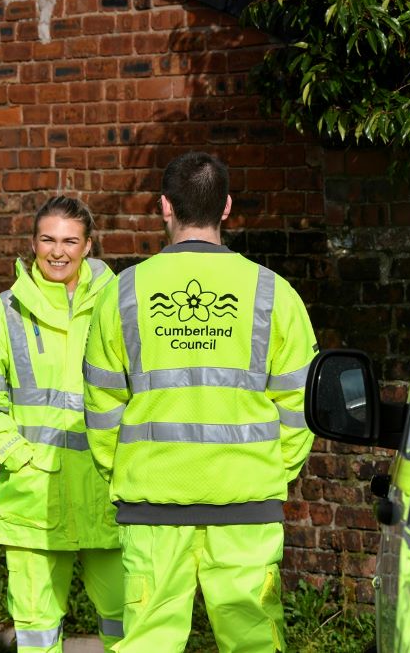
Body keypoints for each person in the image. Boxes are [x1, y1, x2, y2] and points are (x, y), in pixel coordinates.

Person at [83, 151, 317, 652]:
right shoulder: (274, 294)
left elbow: (101, 403)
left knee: (146, 642)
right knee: (254, 639)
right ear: (227, 207)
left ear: (164, 206)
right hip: (247, 498)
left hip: (151, 501)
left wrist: (121, 471)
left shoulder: (123, 294)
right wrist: (273, 469)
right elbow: (301, 403)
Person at [0, 196, 124, 652]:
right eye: (48, 238)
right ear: (32, 243)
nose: (58, 251)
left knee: (129, 622)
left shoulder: (120, 308)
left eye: (71, 240)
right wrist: (20, 459)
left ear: (89, 246)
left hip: (109, 494)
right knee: (36, 628)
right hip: (35, 501)